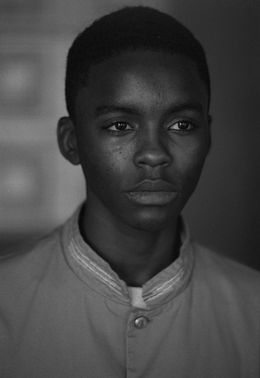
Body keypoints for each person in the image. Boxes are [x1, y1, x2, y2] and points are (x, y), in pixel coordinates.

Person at [0, 6, 259, 378]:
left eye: (182, 124)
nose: (154, 153)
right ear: (71, 142)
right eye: (120, 125)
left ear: (208, 136)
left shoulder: (253, 312)